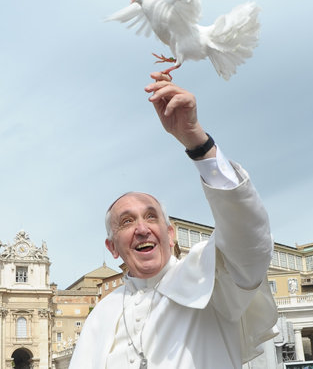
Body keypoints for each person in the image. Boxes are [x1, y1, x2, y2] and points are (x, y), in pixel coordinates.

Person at [69, 72, 278, 369]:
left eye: (151, 217)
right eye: (126, 222)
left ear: (170, 234)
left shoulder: (212, 279)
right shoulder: (101, 314)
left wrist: (197, 142)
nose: (142, 229)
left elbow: (249, 238)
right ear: (112, 247)